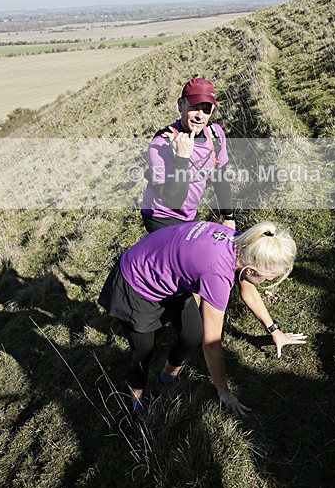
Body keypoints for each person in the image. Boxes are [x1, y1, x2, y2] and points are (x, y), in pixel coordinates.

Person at [98, 219, 307, 418]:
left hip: (168, 276)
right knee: (142, 352)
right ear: (250, 269)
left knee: (192, 335)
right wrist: (224, 392)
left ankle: (165, 381)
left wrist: (274, 331)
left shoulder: (242, 245)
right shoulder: (217, 276)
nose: (268, 281)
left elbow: (248, 288)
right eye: (268, 278)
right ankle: (138, 402)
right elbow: (212, 344)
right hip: (136, 283)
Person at [139, 77, 235, 233]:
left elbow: (220, 177)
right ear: (180, 105)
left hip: (189, 215)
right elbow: (173, 201)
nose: (200, 116)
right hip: (161, 216)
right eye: (194, 107)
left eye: (206, 109)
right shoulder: (161, 144)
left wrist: (228, 217)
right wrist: (182, 158)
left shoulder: (215, 135)